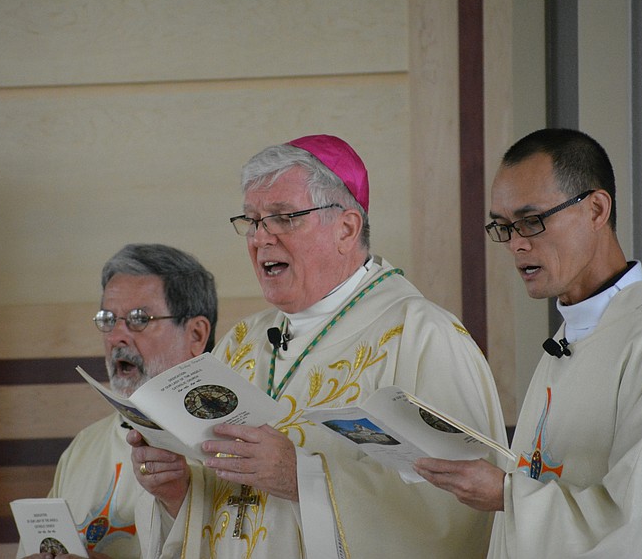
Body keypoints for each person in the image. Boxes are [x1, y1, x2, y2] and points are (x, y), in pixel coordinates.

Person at [130, 134, 508, 558]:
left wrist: (302, 477)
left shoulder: (421, 336)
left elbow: (454, 514)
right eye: (252, 221)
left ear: (346, 228)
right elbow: (227, 511)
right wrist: (176, 491)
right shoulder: (242, 342)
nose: (260, 238)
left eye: (284, 217)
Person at [414, 128, 642, 557]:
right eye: (502, 226)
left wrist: (507, 497)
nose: (516, 243)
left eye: (531, 221)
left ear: (595, 209)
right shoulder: (568, 337)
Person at [19, 243, 217, 559]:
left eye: (138, 319)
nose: (117, 337)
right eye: (108, 319)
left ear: (195, 335)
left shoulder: (231, 447)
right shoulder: (84, 446)